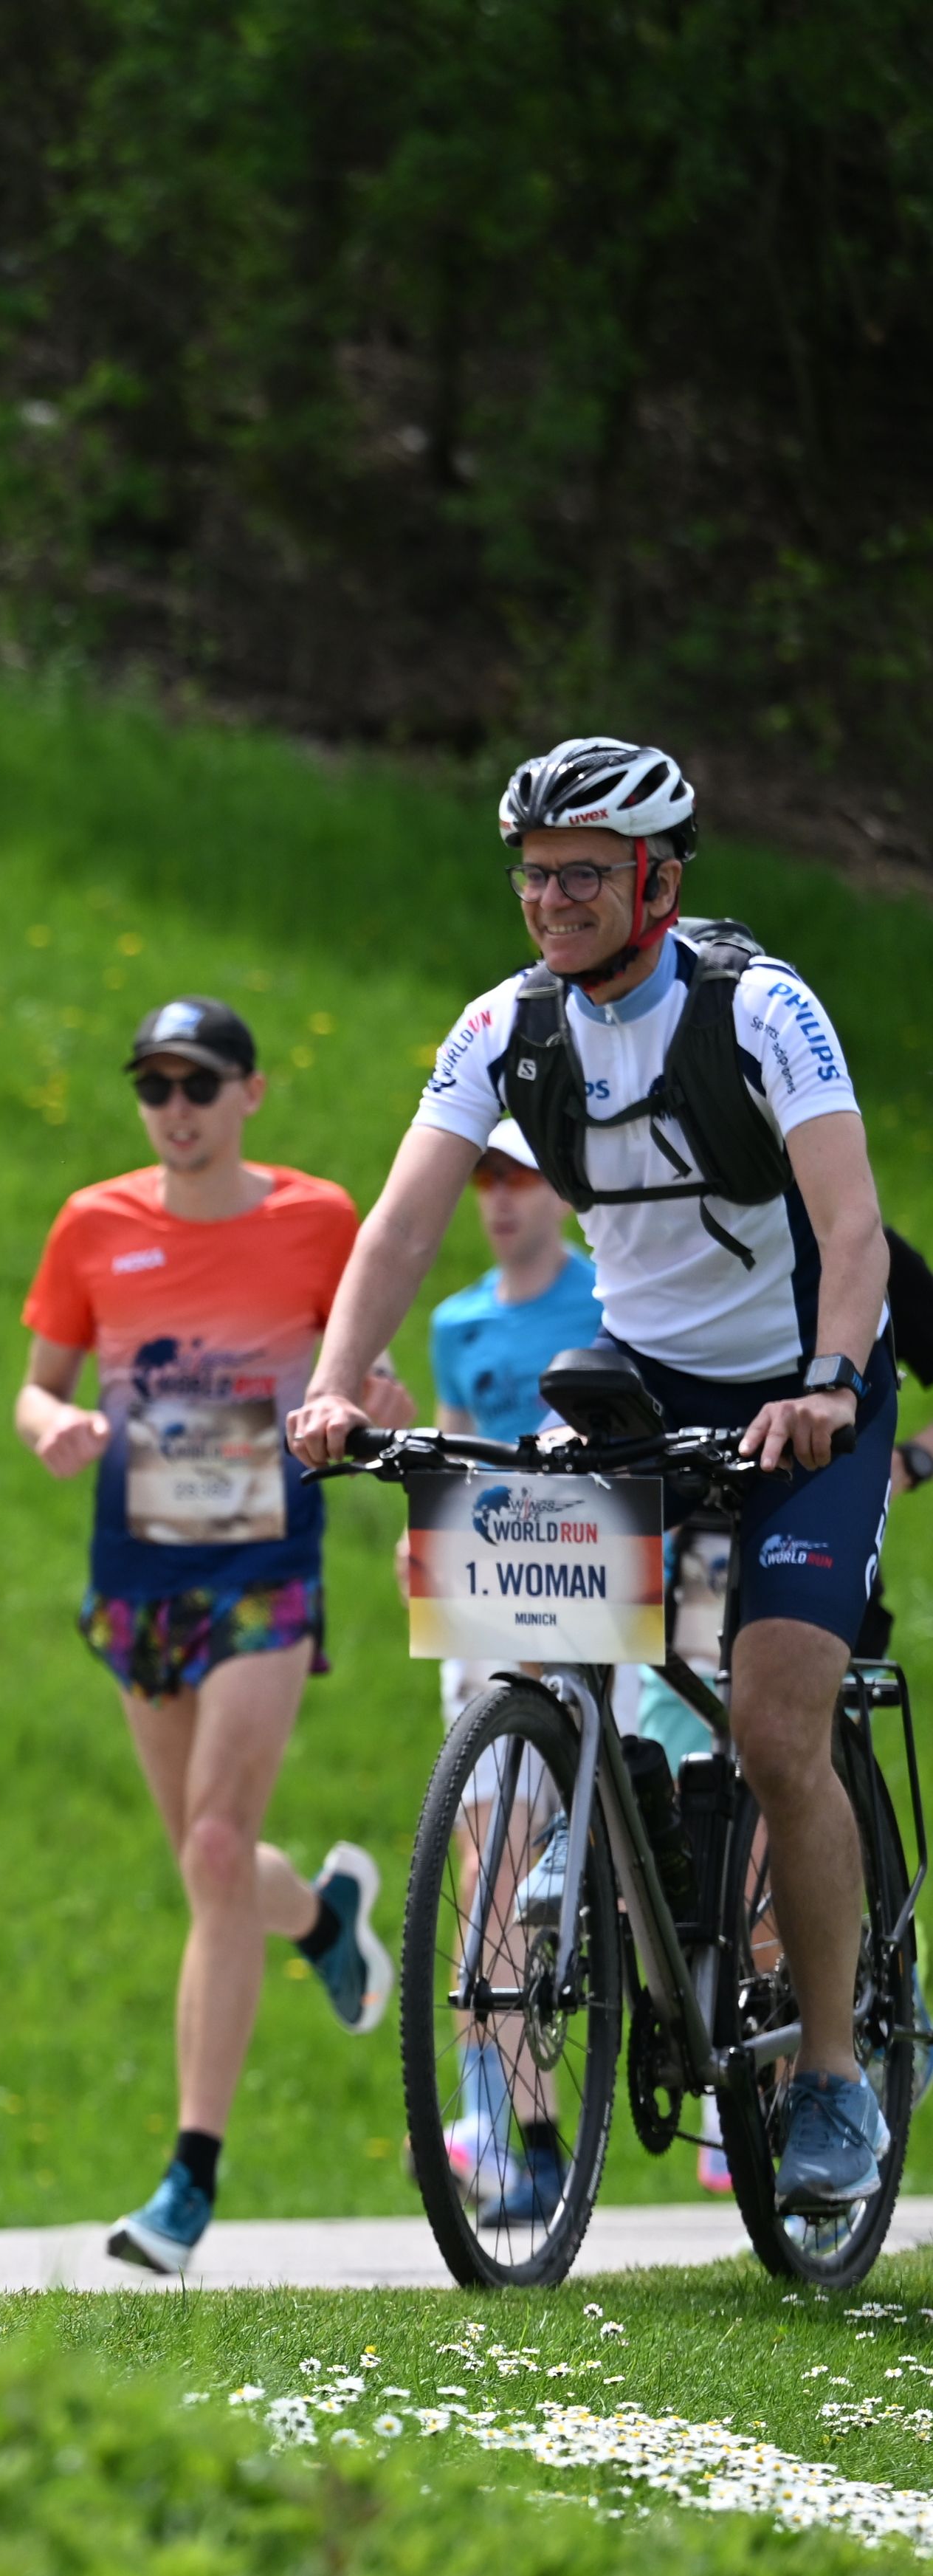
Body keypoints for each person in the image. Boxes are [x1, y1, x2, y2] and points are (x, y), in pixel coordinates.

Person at [295, 736, 899, 2208]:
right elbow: (402, 1223)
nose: (550, 899)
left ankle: (834, 2079)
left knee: (774, 1726)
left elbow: (853, 1222)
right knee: (523, 1595)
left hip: (807, 1385)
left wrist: (830, 1382)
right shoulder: (505, 1028)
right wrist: (331, 1383)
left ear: (658, 882)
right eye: (532, 874)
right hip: (641, 1378)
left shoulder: (759, 1008)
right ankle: (593, 1801)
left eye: (581, 874)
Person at [18, 999, 401, 2277]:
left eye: (198, 1084)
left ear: (251, 1093)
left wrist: (374, 1397)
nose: (174, 1109)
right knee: (207, 1864)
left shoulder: (318, 1217)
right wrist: (54, 1430)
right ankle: (324, 1923)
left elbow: (363, 1370)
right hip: (138, 1571)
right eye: (154, 1086)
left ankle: (190, 2178)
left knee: (222, 1841)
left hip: (263, 1560)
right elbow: (38, 1386)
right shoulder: (93, 1222)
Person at [415, 1117, 607, 2213]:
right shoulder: (456, 1322)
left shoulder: (611, 1303)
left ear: (562, 1191)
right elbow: (452, 1445)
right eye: (484, 1176)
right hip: (491, 1593)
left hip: (597, 1595)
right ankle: (504, 2128)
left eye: (521, 1177)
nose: (498, 1197)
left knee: (593, 1854)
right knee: (484, 1857)